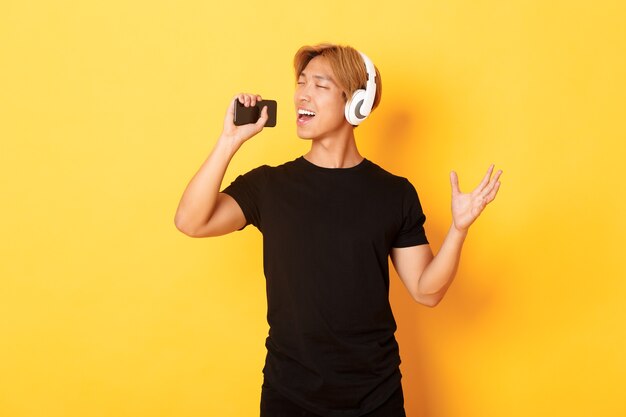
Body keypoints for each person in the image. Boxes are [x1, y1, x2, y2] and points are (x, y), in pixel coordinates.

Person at [174, 43, 502, 417]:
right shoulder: (269, 186)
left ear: (356, 102)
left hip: (375, 397)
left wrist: (459, 229)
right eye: (300, 83)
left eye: (319, 84)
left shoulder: (394, 193)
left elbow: (427, 291)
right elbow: (190, 221)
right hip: (289, 396)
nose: (302, 94)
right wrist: (229, 141)